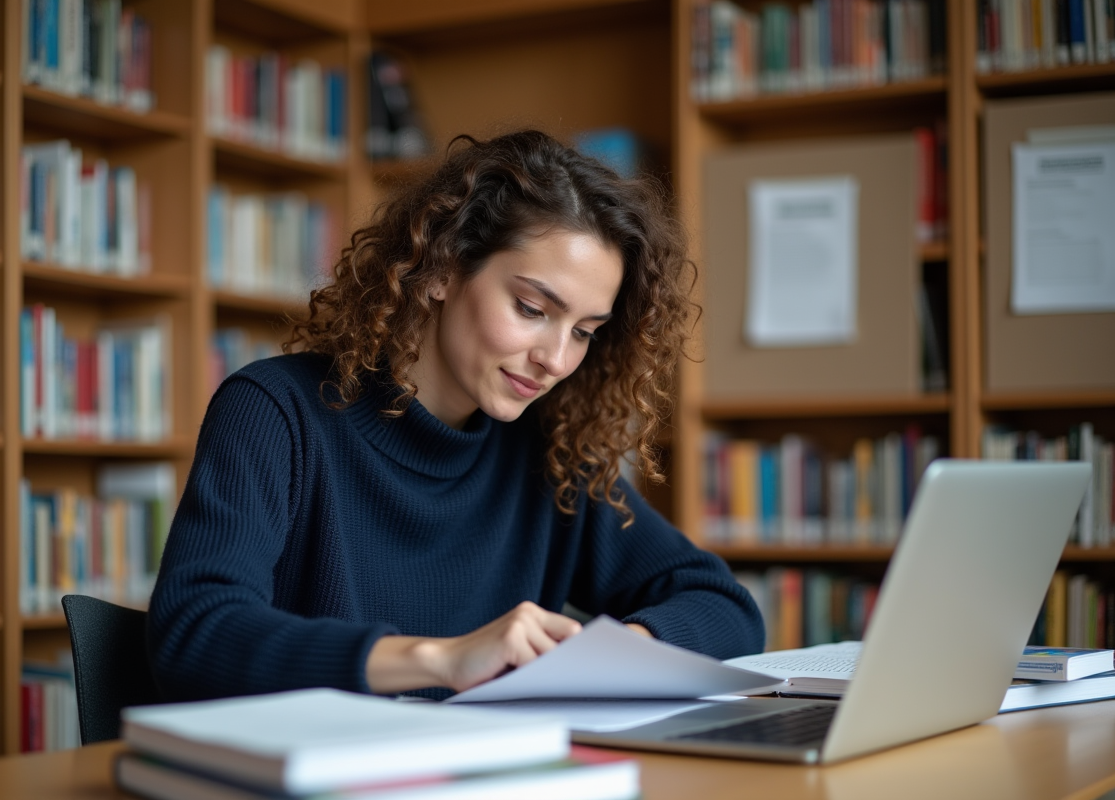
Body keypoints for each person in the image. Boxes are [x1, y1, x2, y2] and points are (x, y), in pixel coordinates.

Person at [147, 130, 764, 702]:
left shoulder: (548, 455)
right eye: (530, 308)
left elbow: (724, 605)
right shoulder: (275, 412)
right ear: (441, 267)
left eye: (584, 332)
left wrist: (609, 654)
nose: (555, 359)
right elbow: (193, 632)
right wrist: (441, 660)